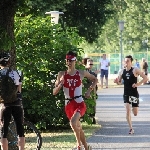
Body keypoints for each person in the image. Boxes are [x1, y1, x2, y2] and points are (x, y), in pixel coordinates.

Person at [53, 51, 98, 150]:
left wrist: (89, 91)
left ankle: (78, 145)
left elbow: (95, 80)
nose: (69, 62)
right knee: (78, 127)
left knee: (73, 122)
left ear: (75, 61)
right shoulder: (61, 74)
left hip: (79, 103)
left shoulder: (81, 73)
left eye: (71, 60)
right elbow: (54, 92)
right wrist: (61, 84)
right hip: (68, 105)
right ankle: (86, 147)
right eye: (67, 60)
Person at [114, 55, 147, 134]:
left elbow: (145, 78)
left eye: (128, 61)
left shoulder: (135, 70)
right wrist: (116, 82)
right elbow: (119, 82)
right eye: (125, 61)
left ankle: (133, 107)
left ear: (131, 62)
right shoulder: (121, 71)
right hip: (126, 94)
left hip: (134, 94)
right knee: (127, 111)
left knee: (135, 113)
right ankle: (131, 128)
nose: (126, 62)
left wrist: (137, 84)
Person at [0, 52, 25, 150]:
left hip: (4, 105)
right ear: (9, 62)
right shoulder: (16, 73)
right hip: (16, 104)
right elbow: (19, 90)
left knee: (3, 132)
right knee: (20, 130)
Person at [82, 58, 98, 124]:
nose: (91, 65)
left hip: (91, 90)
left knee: (92, 105)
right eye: (89, 64)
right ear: (85, 64)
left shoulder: (93, 74)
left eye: (92, 64)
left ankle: (92, 117)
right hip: (84, 90)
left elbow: (95, 83)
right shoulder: (83, 72)